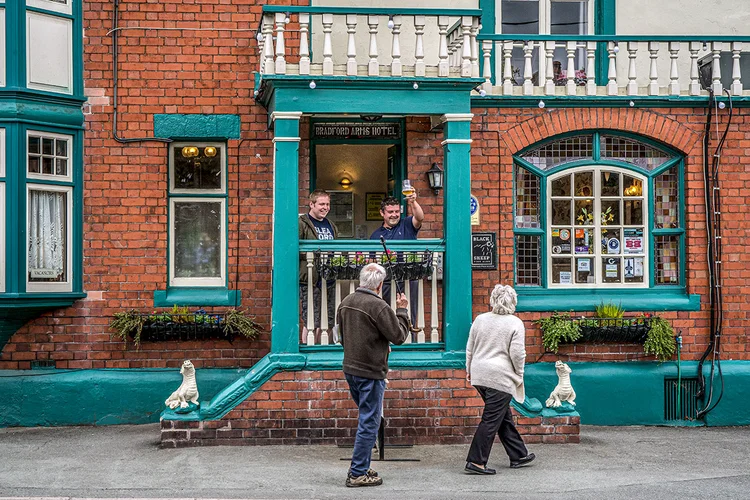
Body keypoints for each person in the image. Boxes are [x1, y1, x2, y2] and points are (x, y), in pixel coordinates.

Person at [337, 263, 410, 487]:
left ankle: (362, 464)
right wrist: (402, 310)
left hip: (351, 368)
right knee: (369, 421)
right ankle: (358, 472)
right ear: (380, 284)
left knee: (367, 418)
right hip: (370, 371)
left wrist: (379, 344)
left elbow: (342, 336)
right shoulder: (378, 306)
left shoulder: (345, 303)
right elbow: (398, 336)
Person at [464, 284, 536, 475]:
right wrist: (519, 374)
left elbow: (469, 348)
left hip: (480, 374)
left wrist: (469, 369)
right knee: (491, 419)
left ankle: (518, 455)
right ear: (513, 301)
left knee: (503, 416)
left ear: (493, 300)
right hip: (500, 377)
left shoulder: (480, 319)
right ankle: (476, 461)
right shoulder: (514, 323)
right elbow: (518, 354)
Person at [369, 193, 424, 327]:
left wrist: (413, 202)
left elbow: (420, 217)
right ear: (382, 213)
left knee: (410, 314)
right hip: (386, 281)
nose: (394, 215)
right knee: (388, 314)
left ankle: (411, 342)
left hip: (409, 279)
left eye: (396, 211)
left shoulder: (407, 224)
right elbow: (372, 261)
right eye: (390, 212)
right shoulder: (375, 235)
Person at [299, 189, 338, 343]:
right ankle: (308, 346)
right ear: (312, 204)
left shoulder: (331, 225)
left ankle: (324, 346)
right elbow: (295, 249)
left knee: (329, 315)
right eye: (322, 204)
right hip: (311, 277)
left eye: (327, 204)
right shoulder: (302, 223)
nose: (325, 207)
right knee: (310, 316)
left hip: (329, 276)